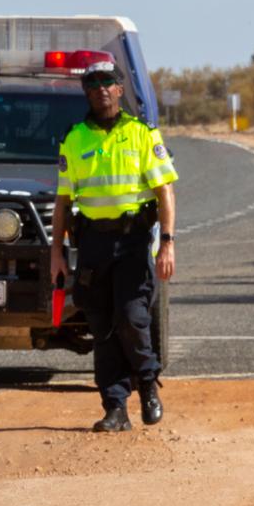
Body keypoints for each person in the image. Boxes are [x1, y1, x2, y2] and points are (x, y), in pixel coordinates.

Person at [48, 53, 177, 433]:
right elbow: (62, 202)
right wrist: (57, 252)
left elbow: (164, 191)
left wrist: (167, 243)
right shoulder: (74, 139)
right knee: (102, 327)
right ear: (85, 93)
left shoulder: (142, 134)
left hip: (134, 243)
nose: (101, 90)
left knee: (133, 319)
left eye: (108, 83)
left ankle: (148, 385)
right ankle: (115, 406)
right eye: (93, 85)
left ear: (120, 89)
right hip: (92, 247)